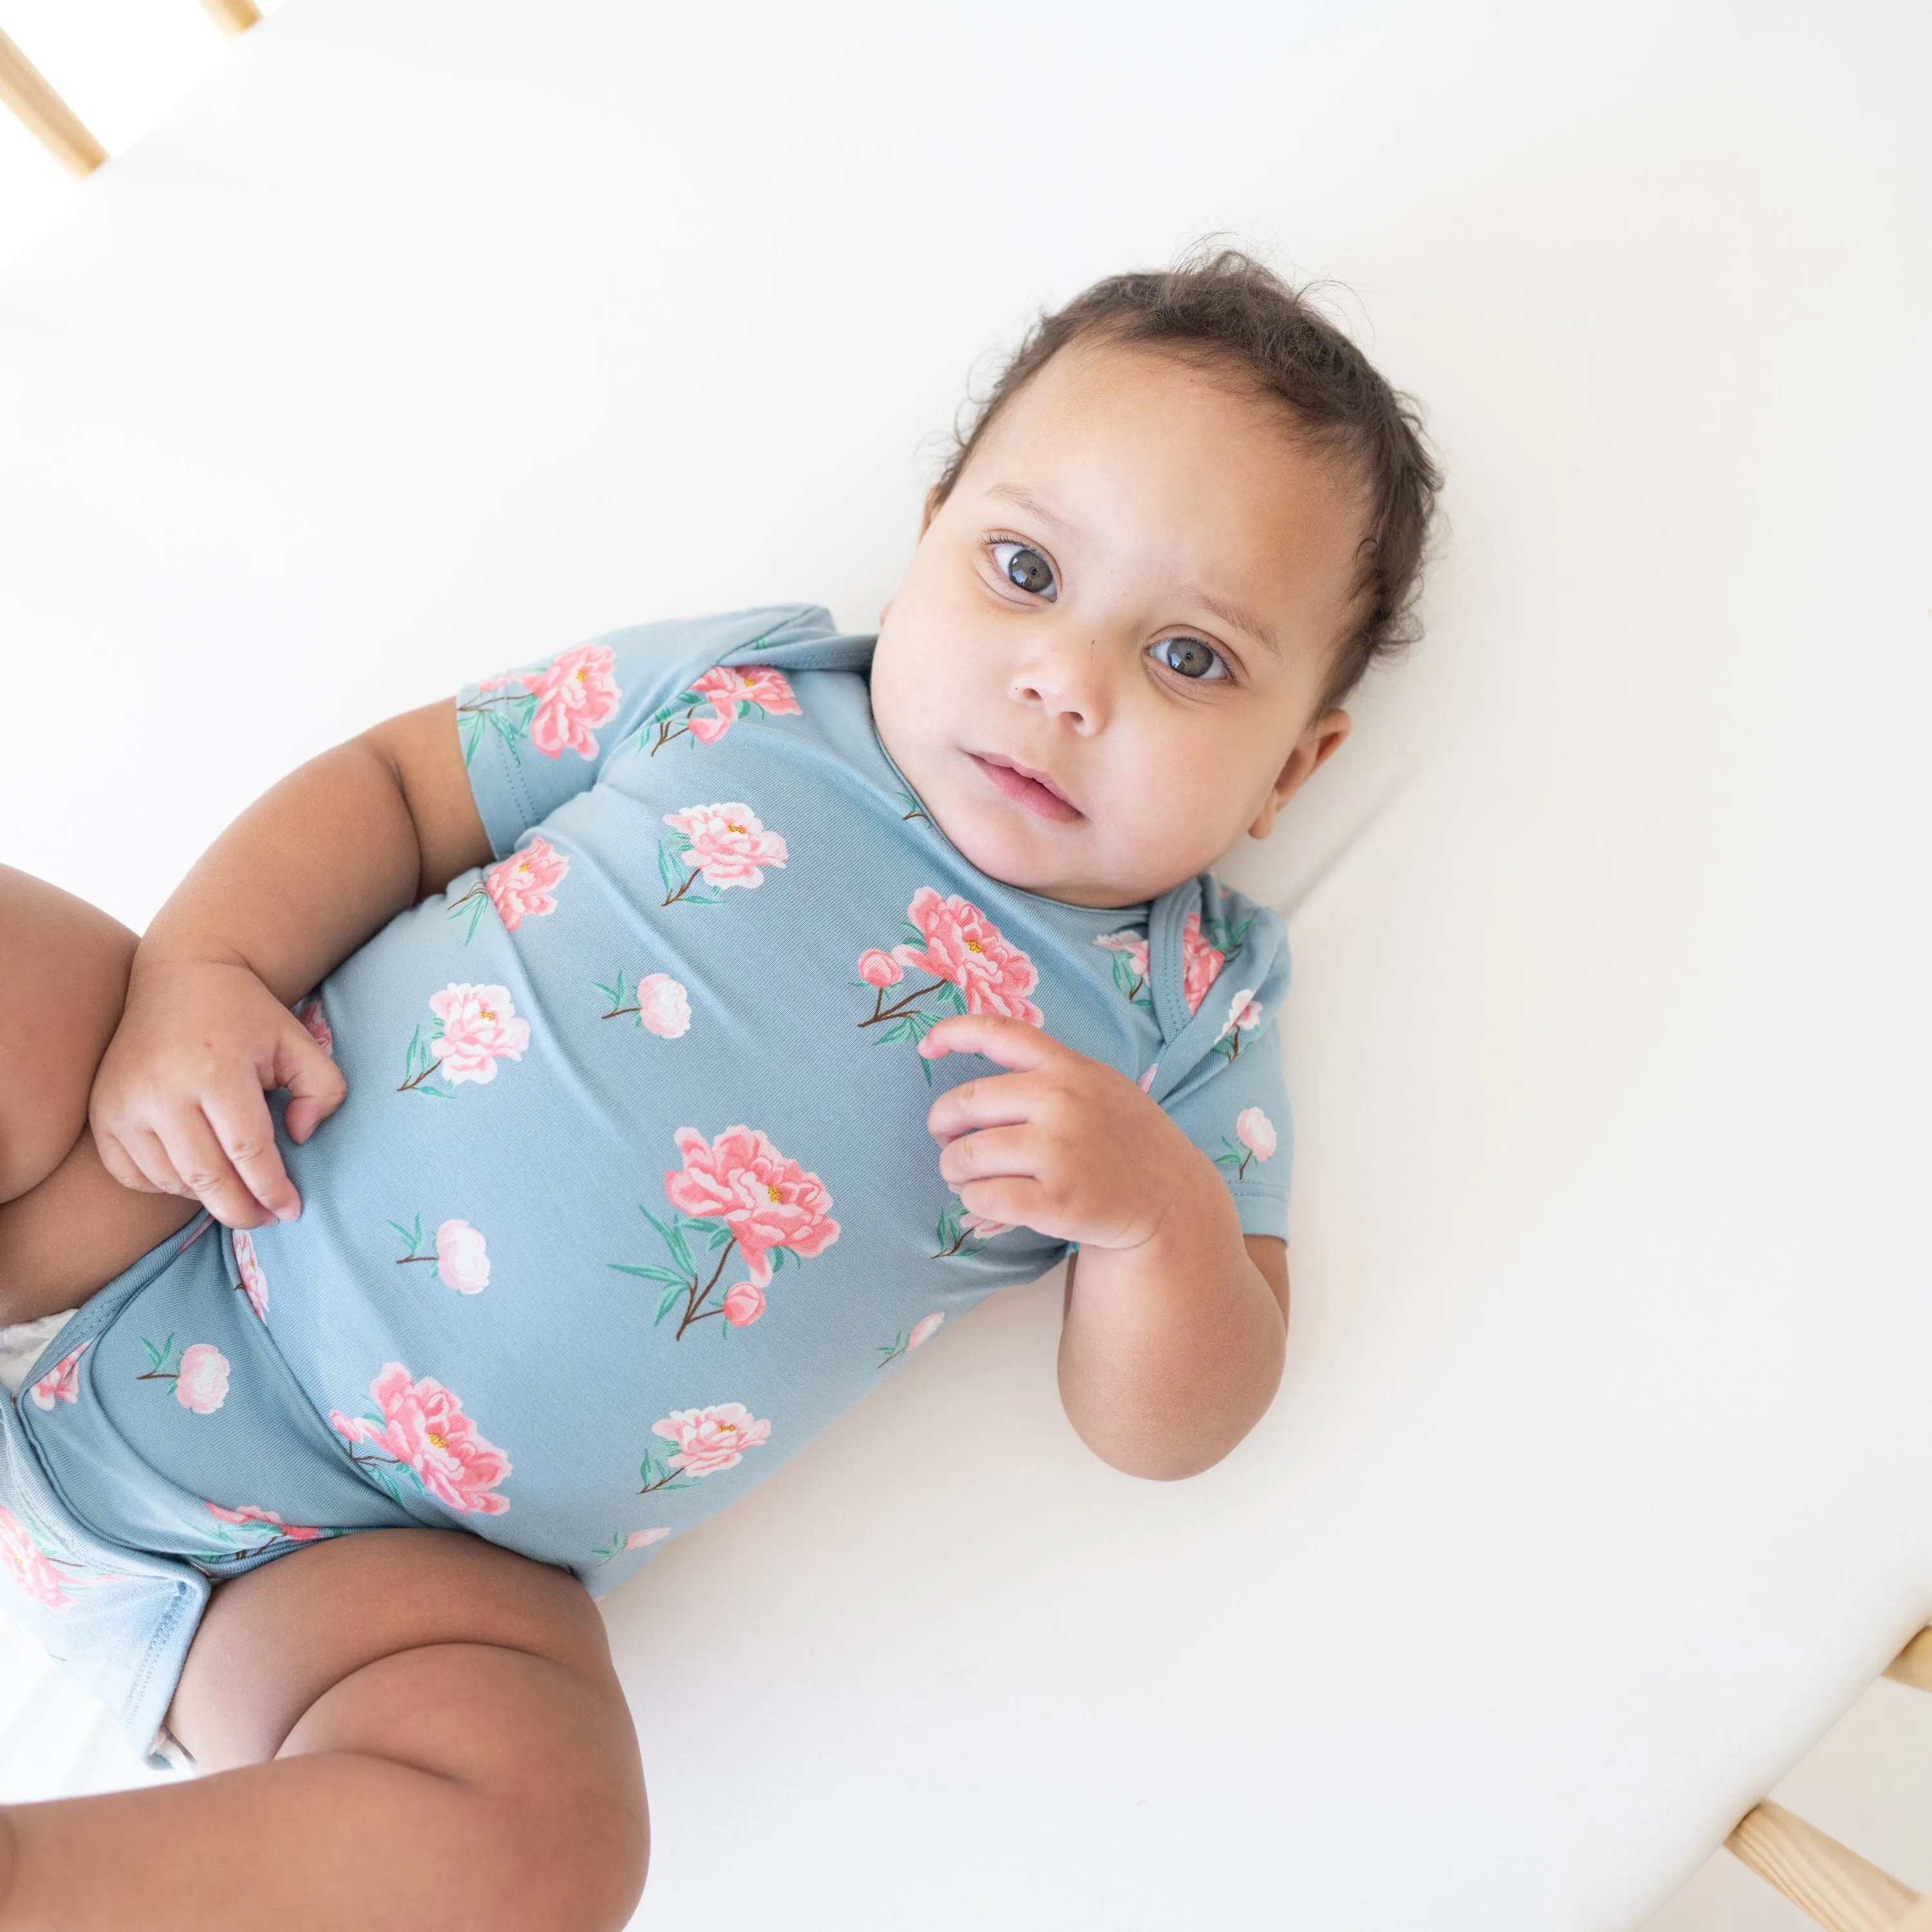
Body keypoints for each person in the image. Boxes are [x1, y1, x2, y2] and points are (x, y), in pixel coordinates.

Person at [0, 241, 1438, 1929]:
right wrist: (201, 978)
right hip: (157, 1165)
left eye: (1191, 659)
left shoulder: (1191, 1015)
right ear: (926, 543)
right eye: (1025, 567)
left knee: (547, 1839)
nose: (1069, 680)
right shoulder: (739, 687)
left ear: (1297, 764)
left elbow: (1183, 1421)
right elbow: (402, 788)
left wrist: (1156, 1222)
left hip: (367, 1567)